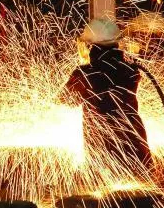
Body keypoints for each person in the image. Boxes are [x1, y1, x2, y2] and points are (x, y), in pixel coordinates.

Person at [65, 18, 151, 172]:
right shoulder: (130, 70)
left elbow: (64, 100)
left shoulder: (84, 75)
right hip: (138, 152)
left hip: (103, 160)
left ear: (90, 46)